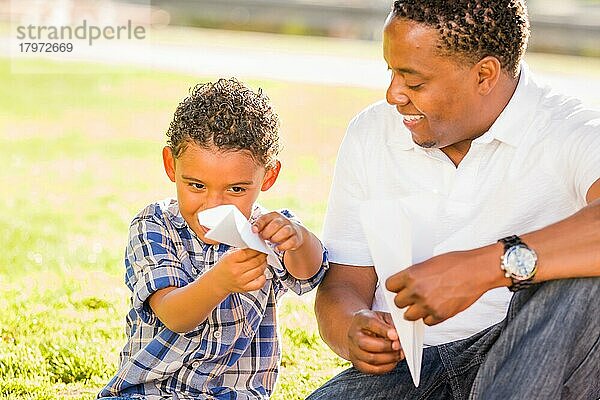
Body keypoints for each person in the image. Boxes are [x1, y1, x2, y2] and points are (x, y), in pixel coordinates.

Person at [308, 1, 600, 399]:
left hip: (527, 358)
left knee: (586, 280)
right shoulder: (371, 132)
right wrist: (352, 328)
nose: (394, 95)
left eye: (414, 82)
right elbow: (342, 283)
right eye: (391, 72)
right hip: (412, 369)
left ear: (484, 74)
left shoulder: (569, 129)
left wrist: (483, 268)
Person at [98, 78, 328, 399]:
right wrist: (220, 282)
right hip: (149, 392)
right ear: (171, 165)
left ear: (269, 176)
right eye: (196, 185)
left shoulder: (267, 230)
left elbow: (310, 272)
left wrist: (299, 240)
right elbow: (174, 315)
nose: (213, 204)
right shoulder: (154, 225)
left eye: (236, 189)